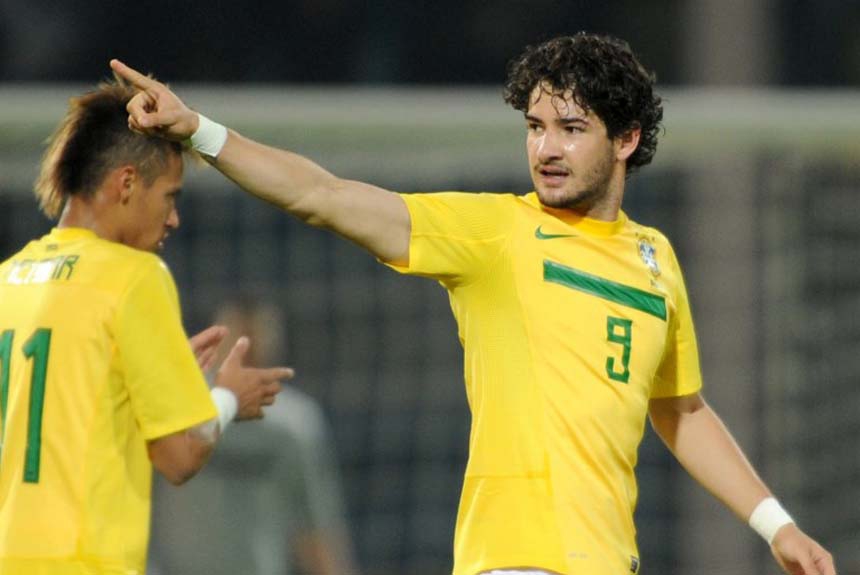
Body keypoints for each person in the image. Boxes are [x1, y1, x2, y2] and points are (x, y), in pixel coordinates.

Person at [111, 31, 836, 575]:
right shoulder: (496, 233)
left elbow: (682, 409)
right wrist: (199, 132)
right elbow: (323, 195)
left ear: (628, 140)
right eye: (535, 126)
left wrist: (777, 525)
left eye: (571, 128)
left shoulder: (655, 261)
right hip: (514, 559)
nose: (545, 148)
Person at [0, 79, 293, 575]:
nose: (174, 219)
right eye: (170, 197)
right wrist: (224, 398)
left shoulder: (7, 280)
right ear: (128, 183)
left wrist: (163, 383)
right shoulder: (134, 277)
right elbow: (179, 456)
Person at [148, 299, 359, 575]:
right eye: (238, 339)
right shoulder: (181, 408)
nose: (247, 348)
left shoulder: (294, 425)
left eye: (255, 338)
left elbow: (314, 524)